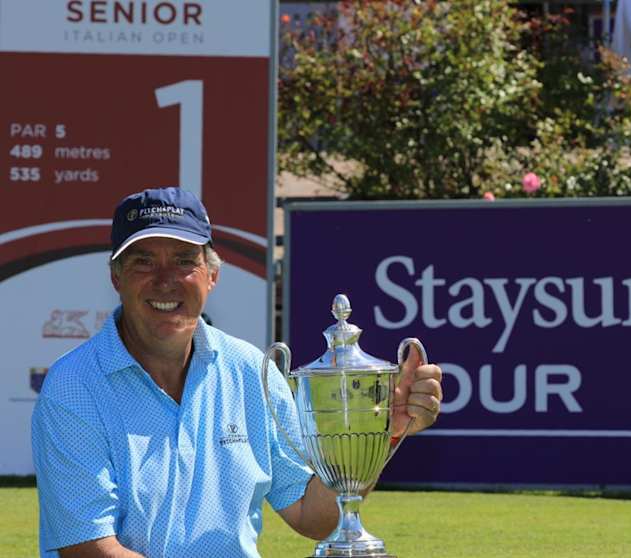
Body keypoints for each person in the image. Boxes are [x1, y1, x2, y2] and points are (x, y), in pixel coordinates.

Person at [31, 187, 444, 557]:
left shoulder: (250, 370)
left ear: (212, 276)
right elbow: (89, 547)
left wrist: (383, 430)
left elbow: (314, 514)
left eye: (183, 261)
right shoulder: (74, 385)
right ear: (116, 277)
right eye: (143, 262)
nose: (165, 281)